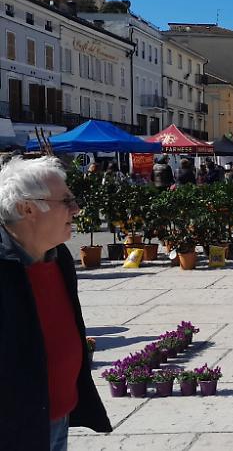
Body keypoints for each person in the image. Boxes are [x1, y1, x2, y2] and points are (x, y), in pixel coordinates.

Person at [0, 156, 112, 449]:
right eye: (66, 201)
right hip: (15, 427)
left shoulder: (59, 256)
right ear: (28, 209)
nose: (76, 209)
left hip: (58, 416)